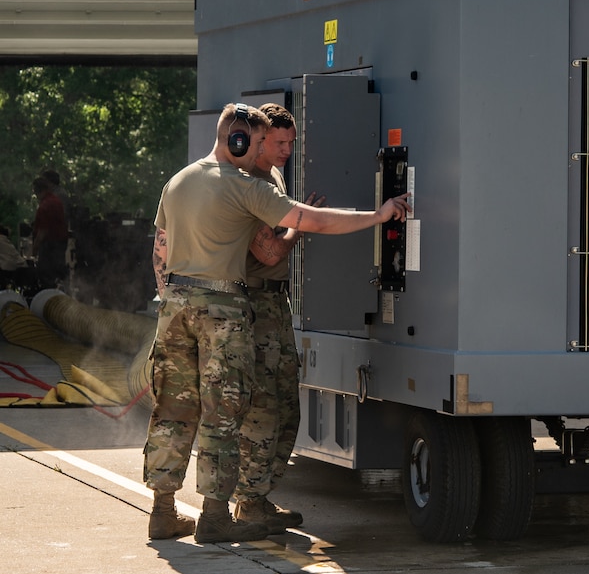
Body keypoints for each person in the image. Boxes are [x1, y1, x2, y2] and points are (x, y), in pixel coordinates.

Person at [144, 102, 410, 544]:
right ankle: (214, 516)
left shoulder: (178, 181)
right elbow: (314, 221)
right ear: (240, 141)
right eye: (255, 144)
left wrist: (172, 298)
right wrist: (379, 216)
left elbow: (160, 250)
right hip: (222, 308)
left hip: (174, 304)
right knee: (223, 414)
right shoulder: (243, 186)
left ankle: (162, 511)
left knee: (172, 410)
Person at [232, 103, 320, 533]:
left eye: (291, 142)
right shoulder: (250, 183)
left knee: (287, 407)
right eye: (280, 142)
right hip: (255, 305)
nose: (287, 149)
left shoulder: (274, 177)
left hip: (274, 305)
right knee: (264, 408)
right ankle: (247, 501)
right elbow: (267, 252)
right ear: (260, 139)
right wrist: (300, 225)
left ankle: (258, 497)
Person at [31, 176, 68, 288]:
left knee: (46, 276)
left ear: (38, 191)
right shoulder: (57, 201)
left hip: (49, 246)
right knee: (59, 276)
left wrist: (34, 249)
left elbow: (42, 232)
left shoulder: (45, 206)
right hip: (61, 244)